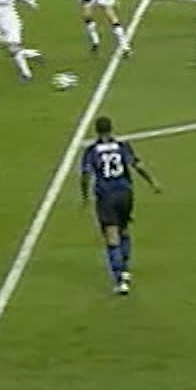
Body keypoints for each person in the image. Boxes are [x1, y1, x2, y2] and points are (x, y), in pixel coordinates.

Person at [79, 115, 162, 294]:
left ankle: (120, 279)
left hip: (106, 196)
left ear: (96, 130)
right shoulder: (122, 146)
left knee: (111, 236)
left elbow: (86, 175)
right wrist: (152, 182)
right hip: (125, 194)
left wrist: (85, 196)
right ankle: (125, 269)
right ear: (111, 129)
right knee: (123, 230)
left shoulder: (92, 150)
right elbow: (137, 165)